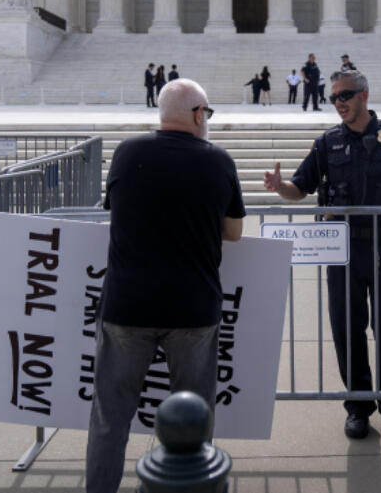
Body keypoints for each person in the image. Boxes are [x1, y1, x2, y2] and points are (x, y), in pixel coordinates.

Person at [262, 69, 381, 441]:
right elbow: (299, 188)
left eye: (346, 95)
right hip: (343, 252)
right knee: (347, 329)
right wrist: (279, 186)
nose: (339, 103)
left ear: (364, 95)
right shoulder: (326, 143)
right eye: (334, 97)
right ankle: (358, 407)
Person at [86, 79, 244, 493]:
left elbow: (116, 214)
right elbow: (233, 232)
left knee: (110, 417)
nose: (207, 121)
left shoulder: (126, 153)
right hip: (192, 308)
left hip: (127, 306)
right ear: (196, 114)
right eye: (207, 114)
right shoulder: (218, 161)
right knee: (194, 416)